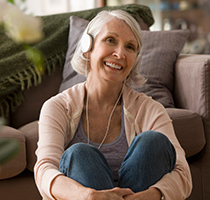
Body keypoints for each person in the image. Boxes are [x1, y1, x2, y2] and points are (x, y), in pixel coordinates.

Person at [34, 10, 192, 200]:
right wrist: (86, 196)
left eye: (130, 47)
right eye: (110, 40)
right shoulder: (58, 107)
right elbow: (44, 170)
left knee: (154, 141)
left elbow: (183, 174)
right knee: (80, 154)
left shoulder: (150, 110)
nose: (119, 54)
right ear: (88, 45)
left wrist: (152, 195)